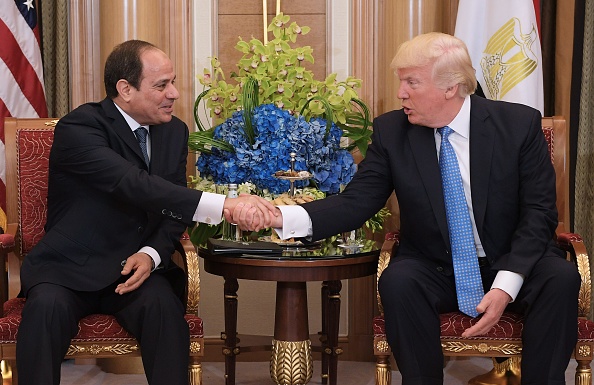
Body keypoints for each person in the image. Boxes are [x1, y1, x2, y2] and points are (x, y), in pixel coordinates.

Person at [233, 32, 580, 384]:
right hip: (436, 265)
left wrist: (505, 285)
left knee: (560, 277)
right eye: (401, 82)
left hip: (511, 258)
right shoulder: (391, 131)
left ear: (451, 87)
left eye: (411, 82)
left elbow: (540, 213)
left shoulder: (518, 125)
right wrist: (282, 216)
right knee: (398, 279)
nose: (401, 93)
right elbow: (357, 202)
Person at [15, 39, 274, 385]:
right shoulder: (81, 127)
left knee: (164, 311)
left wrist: (151, 255)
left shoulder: (174, 132)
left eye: (173, 82)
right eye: (162, 85)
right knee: (44, 311)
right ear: (125, 89)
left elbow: (172, 210)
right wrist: (224, 205)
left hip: (134, 268)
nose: (175, 94)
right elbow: (132, 183)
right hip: (68, 268)